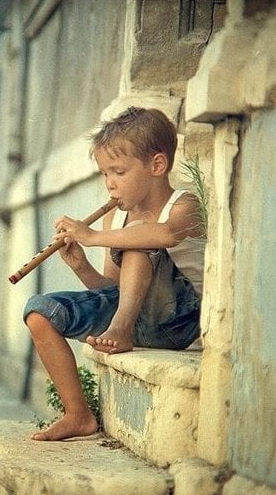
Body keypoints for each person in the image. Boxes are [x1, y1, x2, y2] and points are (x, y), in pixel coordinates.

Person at [23, 106, 205, 441]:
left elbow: (163, 235)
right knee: (39, 312)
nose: (109, 185)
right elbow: (116, 289)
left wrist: (91, 237)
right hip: (135, 317)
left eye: (118, 172)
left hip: (181, 323)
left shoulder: (185, 205)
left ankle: (119, 329)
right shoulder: (115, 221)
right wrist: (81, 264)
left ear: (157, 165)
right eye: (105, 174)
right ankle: (77, 413)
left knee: (140, 233)